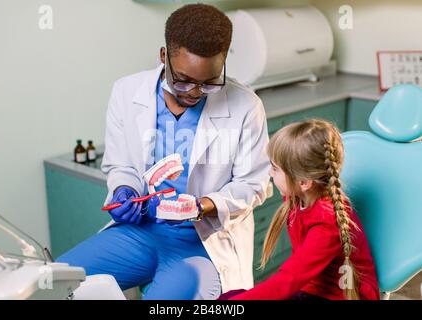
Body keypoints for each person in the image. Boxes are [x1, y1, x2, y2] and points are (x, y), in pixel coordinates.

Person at [56, 4, 271, 300]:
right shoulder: (126, 92)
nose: (194, 92)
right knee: (54, 283)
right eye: (183, 79)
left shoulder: (246, 106)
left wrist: (202, 205)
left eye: (208, 83)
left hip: (203, 244)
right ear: (163, 56)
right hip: (140, 232)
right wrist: (123, 190)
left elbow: (254, 185)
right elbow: (121, 165)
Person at [221, 119, 379, 300]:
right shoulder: (299, 194)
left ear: (303, 182)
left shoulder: (326, 224)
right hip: (311, 287)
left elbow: (288, 280)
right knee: (230, 296)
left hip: (341, 295)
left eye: (275, 169)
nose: (270, 173)